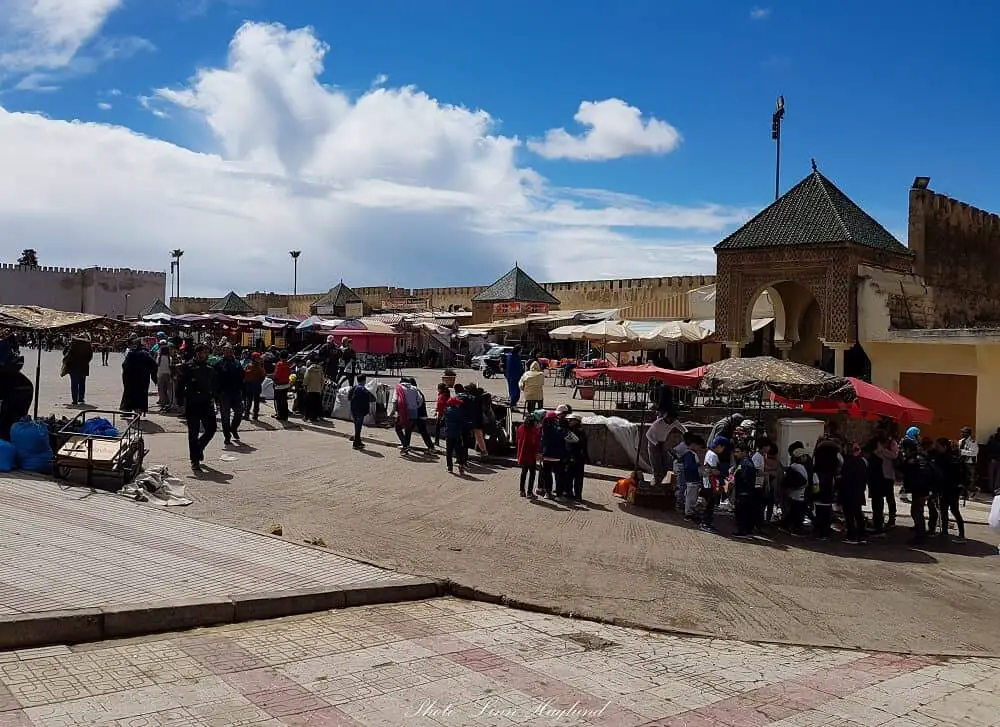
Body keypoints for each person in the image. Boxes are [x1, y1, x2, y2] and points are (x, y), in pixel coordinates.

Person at [178, 344, 217, 472]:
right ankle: (194, 460)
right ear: (198, 353)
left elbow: (214, 386)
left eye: (207, 352)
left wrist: (215, 398)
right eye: (204, 352)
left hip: (207, 403)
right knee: (193, 433)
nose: (206, 355)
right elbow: (180, 384)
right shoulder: (188, 367)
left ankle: (199, 447)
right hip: (193, 403)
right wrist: (180, 402)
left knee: (211, 429)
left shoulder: (210, 369)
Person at [932, 437, 965, 542]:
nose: (936, 448)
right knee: (945, 510)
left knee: (952, 510)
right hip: (949, 488)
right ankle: (947, 532)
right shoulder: (946, 458)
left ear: (945, 447)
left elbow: (942, 474)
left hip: (950, 488)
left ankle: (960, 534)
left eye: (938, 446)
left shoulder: (947, 459)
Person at [214, 345, 245, 445]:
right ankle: (227, 436)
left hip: (236, 392)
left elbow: (242, 376)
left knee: (239, 412)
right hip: (224, 394)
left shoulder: (237, 363)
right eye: (226, 351)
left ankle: (234, 428)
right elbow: (214, 378)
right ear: (223, 352)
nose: (228, 352)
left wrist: (242, 390)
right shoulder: (219, 363)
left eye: (230, 350)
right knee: (225, 416)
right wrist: (216, 393)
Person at [840, 442, 869, 544]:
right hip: (858, 491)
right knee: (857, 513)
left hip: (849, 491)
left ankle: (852, 536)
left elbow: (844, 477)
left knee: (850, 515)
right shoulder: (863, 462)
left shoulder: (847, 461)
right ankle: (861, 535)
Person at [780, 444, 810, 536]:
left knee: (794, 510)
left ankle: (786, 525)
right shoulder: (799, 467)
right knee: (797, 511)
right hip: (799, 492)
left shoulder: (793, 466)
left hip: (794, 492)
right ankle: (795, 528)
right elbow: (804, 480)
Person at [120, 340, 157, 416]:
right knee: (141, 396)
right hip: (142, 380)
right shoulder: (145, 354)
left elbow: (124, 366)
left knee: (129, 395)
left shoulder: (130, 354)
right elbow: (153, 365)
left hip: (130, 380)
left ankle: (128, 411)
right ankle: (138, 412)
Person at [699, 437, 727, 532]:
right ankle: (705, 523)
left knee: (710, 503)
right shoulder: (713, 455)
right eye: (723, 448)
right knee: (709, 504)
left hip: (709, 482)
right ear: (719, 446)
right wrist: (723, 473)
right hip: (710, 482)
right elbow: (713, 470)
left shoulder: (710, 453)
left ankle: (707, 522)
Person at [731, 442, 757, 537]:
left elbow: (745, 478)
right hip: (744, 491)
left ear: (744, 452)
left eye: (738, 452)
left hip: (744, 492)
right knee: (745, 512)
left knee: (742, 513)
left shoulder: (746, 464)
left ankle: (743, 531)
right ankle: (747, 530)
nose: (736, 454)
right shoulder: (743, 462)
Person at [539, 411, 566, 500]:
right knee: (558, 476)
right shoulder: (559, 430)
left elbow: (541, 443)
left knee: (547, 475)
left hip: (546, 455)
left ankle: (548, 492)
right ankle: (559, 494)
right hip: (557, 456)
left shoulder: (543, 429)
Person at [63, 333, 93, 405]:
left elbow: (65, 353)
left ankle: (75, 400)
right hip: (84, 366)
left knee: (74, 384)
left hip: (73, 366)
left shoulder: (73, 344)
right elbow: (90, 356)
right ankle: (81, 398)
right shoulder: (87, 344)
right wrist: (86, 362)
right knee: (82, 383)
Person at [516, 413, 541, 497]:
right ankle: (529, 492)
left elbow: (518, 439)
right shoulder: (534, 430)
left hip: (522, 454)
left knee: (523, 472)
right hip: (531, 455)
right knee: (532, 473)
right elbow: (536, 443)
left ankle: (522, 491)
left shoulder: (520, 428)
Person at [565, 413, 589, 501]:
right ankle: (570, 493)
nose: (569, 421)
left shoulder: (579, 431)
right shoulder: (572, 430)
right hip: (573, 457)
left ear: (576, 421)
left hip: (577, 457)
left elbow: (579, 445)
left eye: (571, 420)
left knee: (576, 477)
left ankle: (577, 495)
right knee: (570, 476)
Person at [443, 396, 468, 475]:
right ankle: (461, 466)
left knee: (449, 451)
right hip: (457, 433)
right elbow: (462, 422)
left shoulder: (446, 411)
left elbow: (443, 421)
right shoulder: (459, 411)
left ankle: (450, 467)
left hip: (449, 433)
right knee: (459, 451)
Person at [348, 374, 374, 449]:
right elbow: (372, 399)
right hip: (361, 411)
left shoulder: (354, 388)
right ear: (364, 381)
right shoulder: (364, 389)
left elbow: (349, 397)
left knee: (357, 426)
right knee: (358, 427)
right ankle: (356, 443)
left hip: (354, 410)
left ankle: (358, 441)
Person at [243, 352, 266, 421]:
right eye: (257, 358)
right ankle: (253, 415)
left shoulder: (250, 366)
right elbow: (263, 376)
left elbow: (244, 375)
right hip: (254, 385)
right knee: (253, 401)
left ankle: (250, 415)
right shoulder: (258, 367)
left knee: (251, 401)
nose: (259, 359)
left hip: (251, 385)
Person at [958, 426, 979, 500]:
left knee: (970, 479)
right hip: (962, 462)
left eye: (964, 432)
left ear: (968, 434)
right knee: (962, 478)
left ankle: (974, 491)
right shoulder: (961, 441)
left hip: (970, 463)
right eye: (962, 432)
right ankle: (963, 494)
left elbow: (974, 453)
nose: (962, 433)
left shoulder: (972, 442)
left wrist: (962, 452)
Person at [303, 357, 325, 423]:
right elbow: (323, 380)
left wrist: (305, 386)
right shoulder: (320, 369)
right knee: (316, 404)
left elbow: (306, 379)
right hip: (318, 389)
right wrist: (321, 388)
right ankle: (315, 417)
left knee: (309, 404)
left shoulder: (309, 369)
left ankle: (307, 417)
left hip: (310, 389)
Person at [155, 341, 175, 411]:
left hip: (160, 375)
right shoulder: (170, 358)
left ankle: (163, 404)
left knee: (161, 391)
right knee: (169, 390)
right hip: (168, 375)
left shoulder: (158, 358)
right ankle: (169, 403)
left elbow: (157, 365)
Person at [272, 353, 291, 422]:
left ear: (280, 356)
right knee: (284, 401)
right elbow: (289, 373)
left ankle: (279, 414)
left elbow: (276, 374)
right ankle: (285, 416)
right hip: (286, 384)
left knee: (278, 401)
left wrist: (273, 379)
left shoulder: (279, 364)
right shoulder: (288, 364)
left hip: (278, 385)